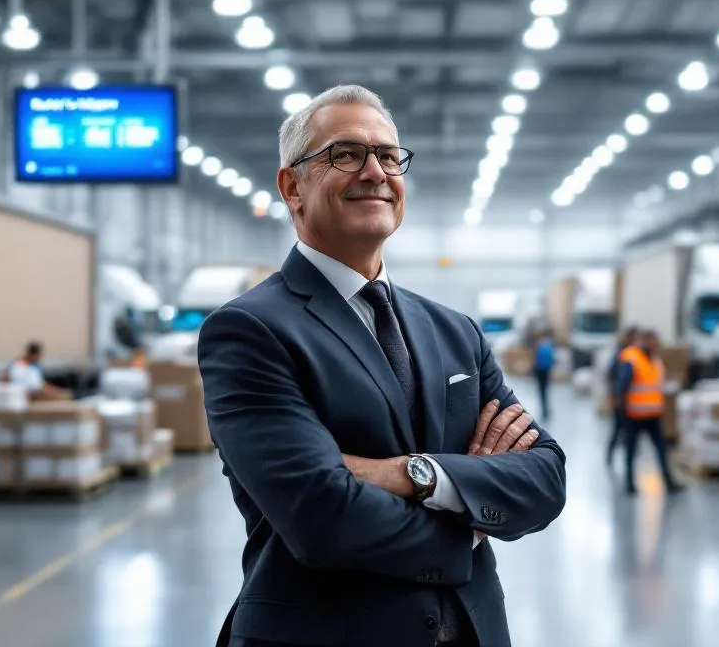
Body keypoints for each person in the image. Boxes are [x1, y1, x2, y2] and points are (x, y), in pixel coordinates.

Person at [199, 84, 568, 647]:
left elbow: (545, 476)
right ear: (291, 185)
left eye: (389, 155)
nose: (375, 171)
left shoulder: (454, 330)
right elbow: (321, 516)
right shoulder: (251, 330)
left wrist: (411, 473)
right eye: (345, 154)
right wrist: (466, 519)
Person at [615, 329, 684, 496]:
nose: (656, 345)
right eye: (653, 342)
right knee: (631, 450)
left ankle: (668, 481)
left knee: (661, 449)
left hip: (653, 415)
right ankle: (630, 483)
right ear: (645, 341)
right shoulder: (632, 359)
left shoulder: (656, 361)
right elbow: (622, 386)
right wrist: (622, 411)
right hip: (634, 414)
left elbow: (655, 385)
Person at [604, 325, 640, 467]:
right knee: (617, 430)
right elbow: (612, 376)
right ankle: (610, 455)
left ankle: (628, 460)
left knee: (629, 435)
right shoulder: (621, 353)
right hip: (621, 402)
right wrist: (615, 398)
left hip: (633, 403)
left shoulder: (636, 353)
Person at [6, 341, 71, 402]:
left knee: (66, 394)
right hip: (28, 393)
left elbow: (39, 383)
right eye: (38, 355)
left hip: (36, 390)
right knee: (63, 397)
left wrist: (53, 390)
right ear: (33, 354)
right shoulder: (18, 366)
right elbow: (30, 385)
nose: (39, 358)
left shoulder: (33, 366)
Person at [531, 329, 556, 419]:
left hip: (540, 370)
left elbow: (535, 358)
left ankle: (544, 409)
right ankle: (546, 409)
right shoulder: (550, 344)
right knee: (545, 389)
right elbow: (552, 358)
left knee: (541, 390)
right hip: (546, 370)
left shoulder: (539, 345)